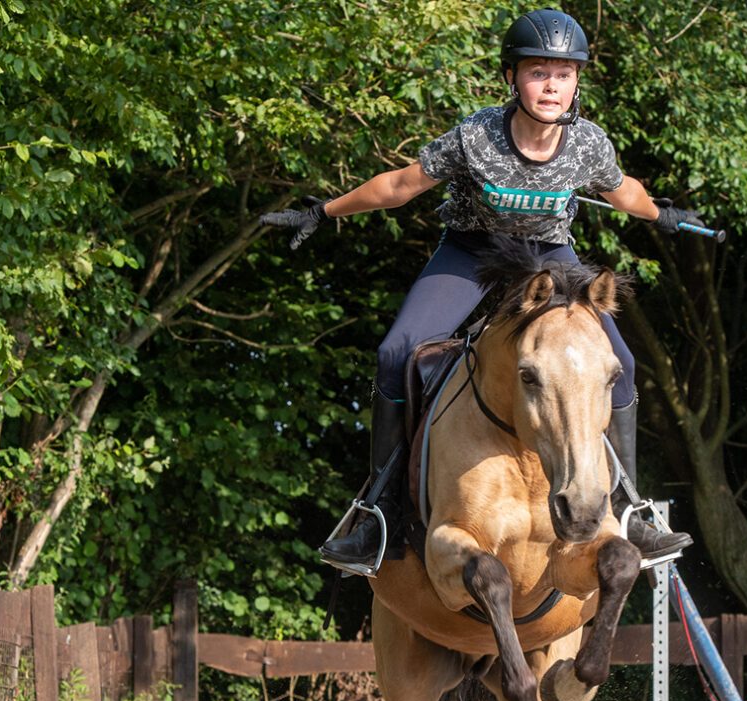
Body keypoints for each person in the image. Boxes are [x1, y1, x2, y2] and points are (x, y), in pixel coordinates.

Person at [262, 8, 700, 575]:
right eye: (538, 72)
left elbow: (625, 193)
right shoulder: (476, 136)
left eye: (563, 75)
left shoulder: (588, 145)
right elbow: (399, 186)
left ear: (576, 83)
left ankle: (630, 507)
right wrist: (321, 211)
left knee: (620, 358)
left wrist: (662, 215)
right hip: (472, 251)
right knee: (397, 351)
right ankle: (378, 513)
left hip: (548, 258)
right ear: (513, 77)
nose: (551, 86)